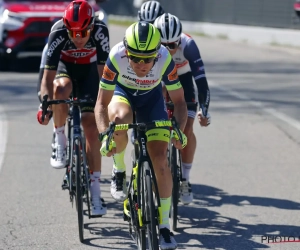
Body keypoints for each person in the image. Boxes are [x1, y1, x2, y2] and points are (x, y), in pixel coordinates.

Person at [95, 21, 187, 249]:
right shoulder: (116, 56)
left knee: (161, 163)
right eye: (135, 58)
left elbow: (179, 102)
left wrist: (179, 130)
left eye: (148, 59)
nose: (142, 64)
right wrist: (104, 135)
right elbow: (101, 103)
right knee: (120, 120)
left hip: (152, 100)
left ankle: (164, 226)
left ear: (157, 53)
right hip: (122, 94)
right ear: (127, 52)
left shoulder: (165, 58)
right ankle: (119, 169)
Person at [37, 0, 110, 216]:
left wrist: (102, 109)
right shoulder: (58, 31)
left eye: (83, 33)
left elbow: (103, 76)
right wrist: (45, 105)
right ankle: (60, 140)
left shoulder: (100, 31)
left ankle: (96, 194)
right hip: (65, 70)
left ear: (91, 27)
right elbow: (46, 79)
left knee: (91, 129)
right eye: (73, 33)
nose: (78, 38)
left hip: (89, 74)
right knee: (60, 90)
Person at [154, 13, 211, 205]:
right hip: (160, 80)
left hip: (183, 80)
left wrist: (204, 109)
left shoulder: (188, 45)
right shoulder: (150, 45)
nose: (169, 50)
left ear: (179, 39)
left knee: (186, 129)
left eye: (173, 45)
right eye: (163, 45)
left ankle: (185, 178)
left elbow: (201, 82)